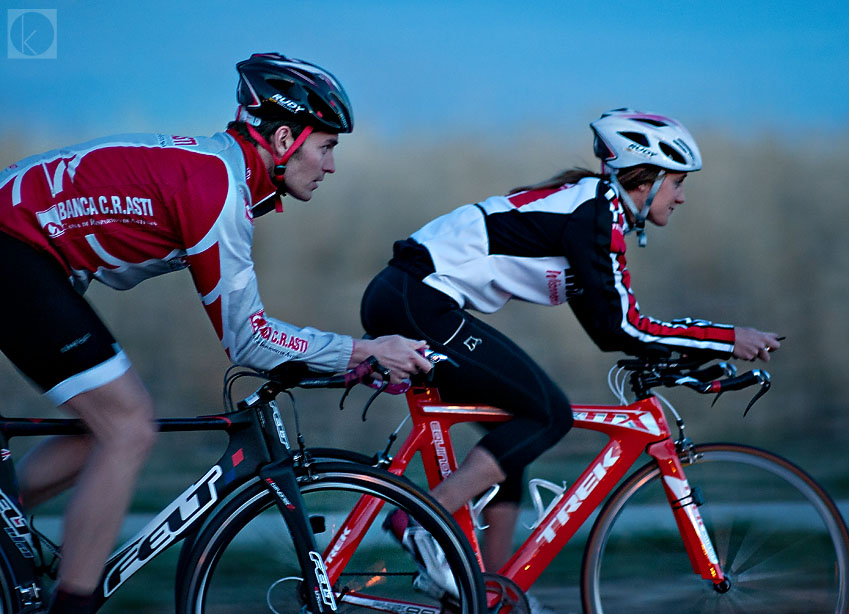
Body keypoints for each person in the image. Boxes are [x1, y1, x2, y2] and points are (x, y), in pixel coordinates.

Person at [0, 52, 430, 613]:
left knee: (100, 429)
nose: (330, 166)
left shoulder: (219, 172)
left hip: (27, 255)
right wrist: (362, 350)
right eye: (326, 147)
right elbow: (247, 340)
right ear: (282, 140)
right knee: (128, 427)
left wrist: (349, 356)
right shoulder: (216, 191)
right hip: (16, 253)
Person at [362, 108, 782, 603]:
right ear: (646, 180)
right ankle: (421, 525)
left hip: (410, 298)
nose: (683, 195)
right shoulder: (594, 216)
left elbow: (610, 330)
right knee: (550, 414)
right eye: (678, 183)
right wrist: (728, 337)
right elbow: (628, 326)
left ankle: (489, 595)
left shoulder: (594, 213)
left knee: (510, 437)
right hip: (416, 299)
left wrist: (682, 357)